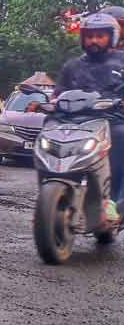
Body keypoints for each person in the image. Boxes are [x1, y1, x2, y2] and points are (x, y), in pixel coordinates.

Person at [54, 13, 124, 217]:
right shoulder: (72, 65)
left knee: (120, 135)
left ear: (112, 37)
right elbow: (58, 93)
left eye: (100, 36)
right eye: (89, 36)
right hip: (74, 121)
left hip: (112, 120)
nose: (94, 40)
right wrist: (43, 103)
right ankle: (49, 190)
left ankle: (111, 200)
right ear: (82, 38)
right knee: (48, 128)